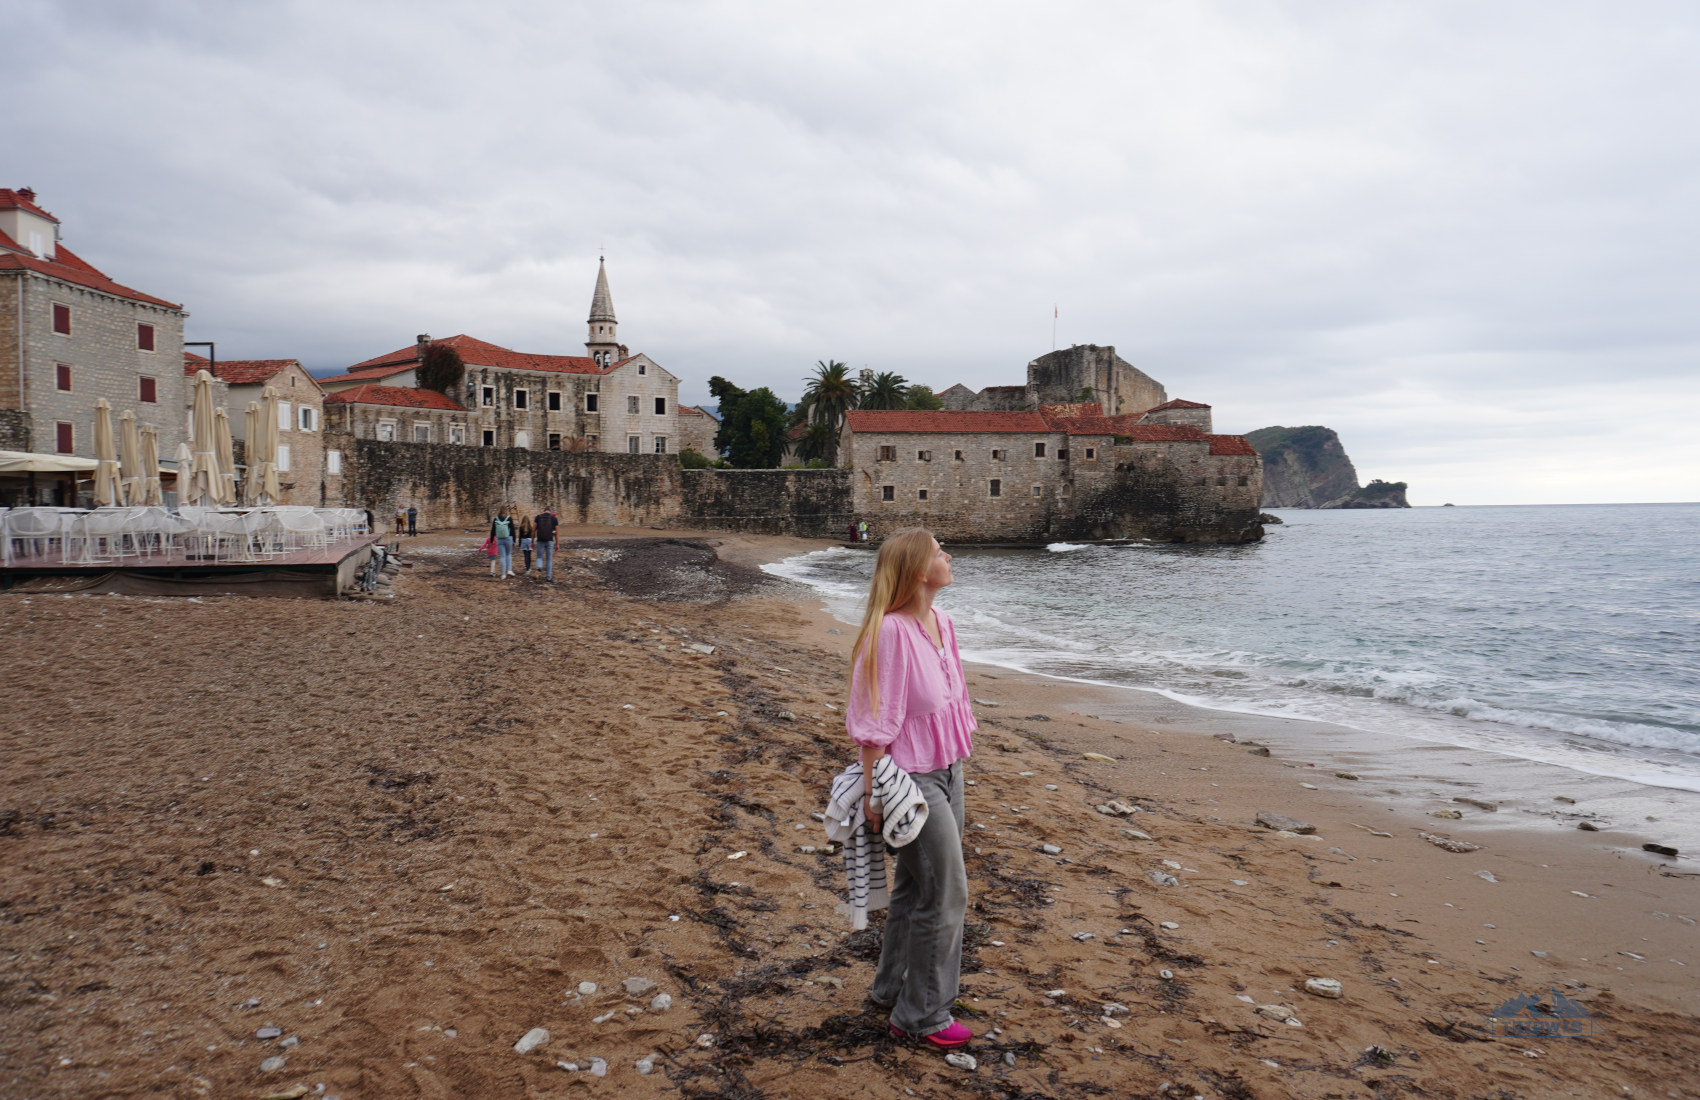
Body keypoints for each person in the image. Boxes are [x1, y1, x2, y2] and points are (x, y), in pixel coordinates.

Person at [845, 527, 976, 1049]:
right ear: (921, 571)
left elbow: (953, 698)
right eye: (940, 551)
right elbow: (873, 719)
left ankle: (890, 991)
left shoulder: (943, 622)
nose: (949, 556)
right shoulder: (890, 631)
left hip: (948, 768)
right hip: (909, 779)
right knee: (946, 894)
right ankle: (921, 1016)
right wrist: (876, 791)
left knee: (915, 888)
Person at [533, 506, 559, 582]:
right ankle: (548, 578)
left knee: (539, 557)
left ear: (543, 510)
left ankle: (539, 567)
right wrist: (557, 544)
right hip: (550, 541)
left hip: (540, 540)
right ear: (550, 511)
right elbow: (556, 533)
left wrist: (532, 541)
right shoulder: (554, 519)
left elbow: (533, 530)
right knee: (549, 559)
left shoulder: (538, 517)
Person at [490, 506, 517, 578]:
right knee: (508, 554)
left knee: (502, 556)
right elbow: (512, 530)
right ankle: (509, 570)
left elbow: (493, 530)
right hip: (508, 538)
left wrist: (491, 539)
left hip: (499, 539)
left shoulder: (496, 519)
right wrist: (514, 540)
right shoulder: (509, 518)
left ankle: (503, 574)